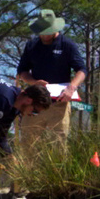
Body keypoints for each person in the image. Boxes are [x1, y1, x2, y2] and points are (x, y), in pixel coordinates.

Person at [15, 9, 86, 147]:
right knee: (28, 144)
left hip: (59, 102)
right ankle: (28, 169)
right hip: (34, 102)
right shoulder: (31, 46)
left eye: (48, 31)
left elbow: (81, 70)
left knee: (59, 143)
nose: (45, 35)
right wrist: (34, 82)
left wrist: (71, 88)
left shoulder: (67, 45)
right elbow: (22, 71)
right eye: (42, 31)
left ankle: (57, 169)